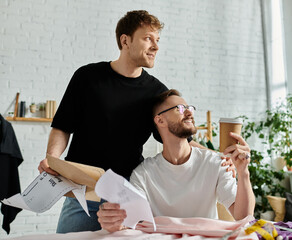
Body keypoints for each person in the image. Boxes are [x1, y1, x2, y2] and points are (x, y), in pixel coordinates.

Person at [37, 10, 233, 233]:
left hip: (128, 191)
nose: (156, 46)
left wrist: (220, 159)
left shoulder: (157, 93)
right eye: (148, 38)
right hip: (82, 189)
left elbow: (179, 140)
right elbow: (63, 126)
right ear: (125, 40)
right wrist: (52, 160)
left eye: (157, 40)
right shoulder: (87, 77)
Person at [97, 89, 256, 232]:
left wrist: (243, 173)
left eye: (189, 108)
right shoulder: (143, 173)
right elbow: (130, 220)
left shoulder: (215, 163)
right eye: (180, 109)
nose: (189, 113)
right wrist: (114, 221)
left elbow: (243, 217)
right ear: (160, 121)